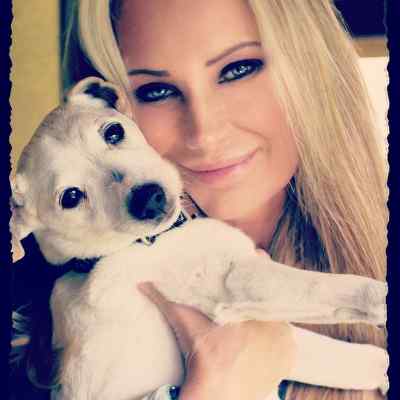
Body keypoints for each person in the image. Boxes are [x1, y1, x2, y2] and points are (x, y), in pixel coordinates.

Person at [41, 0, 386, 399]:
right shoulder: (37, 336)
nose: (205, 133)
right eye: (156, 91)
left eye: (238, 69)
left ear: (312, 66)